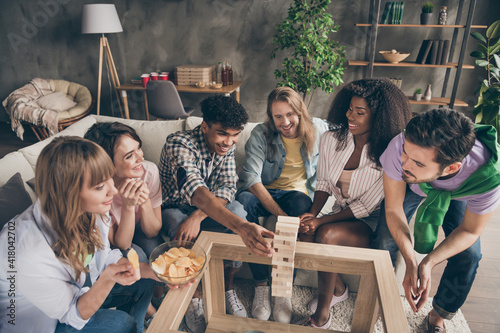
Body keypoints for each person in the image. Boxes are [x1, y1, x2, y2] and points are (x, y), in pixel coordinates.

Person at [0, 137, 156, 333]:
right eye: (100, 187)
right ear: (68, 193)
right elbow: (72, 313)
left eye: (109, 178)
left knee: (143, 281)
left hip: (78, 292)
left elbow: (104, 257)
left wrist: (156, 271)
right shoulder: (25, 252)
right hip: (45, 323)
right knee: (121, 324)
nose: (114, 190)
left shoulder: (90, 210)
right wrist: (107, 279)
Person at [297, 78, 412, 329]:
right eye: (350, 108)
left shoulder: (390, 153)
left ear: (379, 117)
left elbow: (365, 207)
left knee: (325, 234)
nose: (351, 116)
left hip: (370, 220)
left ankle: (322, 317)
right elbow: (325, 183)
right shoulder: (331, 139)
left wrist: (321, 221)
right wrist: (311, 214)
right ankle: (338, 288)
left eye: (360, 112)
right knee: (305, 232)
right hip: (341, 212)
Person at [373, 108, 500, 332]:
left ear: (452, 168)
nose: (404, 164)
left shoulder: (488, 176)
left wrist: (428, 262)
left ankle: (439, 313)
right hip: (415, 185)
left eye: (418, 163)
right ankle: (377, 298)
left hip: (461, 190)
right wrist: (411, 260)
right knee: (385, 238)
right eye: (406, 154)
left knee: (469, 255)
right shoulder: (400, 148)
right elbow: (393, 210)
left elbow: (470, 231)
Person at [159, 95, 274, 333]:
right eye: (223, 133)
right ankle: (195, 297)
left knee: (239, 209)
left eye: (235, 135)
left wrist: (198, 217)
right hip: (176, 207)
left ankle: (227, 287)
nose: (229, 142)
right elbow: (196, 190)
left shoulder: (226, 147)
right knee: (175, 222)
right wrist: (241, 227)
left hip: (205, 211)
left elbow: (228, 188)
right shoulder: (178, 143)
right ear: (204, 126)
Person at [236, 86, 329, 323]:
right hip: (265, 191)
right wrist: (280, 216)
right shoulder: (260, 133)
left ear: (300, 112)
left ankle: (283, 288)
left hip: (295, 194)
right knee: (243, 202)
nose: (285, 122)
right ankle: (261, 285)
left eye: (290, 114)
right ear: (271, 116)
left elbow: (347, 135)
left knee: (301, 203)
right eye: (278, 116)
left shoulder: (318, 129)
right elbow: (251, 179)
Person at [84, 122, 164, 322]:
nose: (140, 157)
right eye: (129, 156)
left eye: (138, 148)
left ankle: (156, 298)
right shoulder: (100, 191)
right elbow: (121, 244)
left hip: (140, 228)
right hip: (118, 239)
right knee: (137, 255)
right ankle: (149, 312)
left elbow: (153, 231)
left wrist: (143, 201)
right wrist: (128, 206)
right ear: (107, 164)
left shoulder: (149, 171)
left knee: (156, 247)